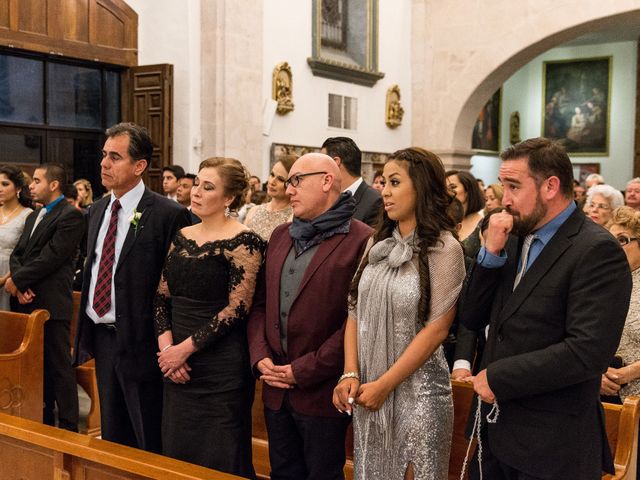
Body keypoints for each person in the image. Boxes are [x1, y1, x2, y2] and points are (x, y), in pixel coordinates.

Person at [459, 137, 632, 479]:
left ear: (551, 186)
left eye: (513, 187)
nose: (504, 200)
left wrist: (499, 376)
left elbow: (587, 352)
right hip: (495, 433)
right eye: (502, 186)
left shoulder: (596, 250)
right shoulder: (512, 235)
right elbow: (472, 317)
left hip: (552, 443)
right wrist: (489, 257)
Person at [334, 147, 465, 479]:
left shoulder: (445, 248)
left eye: (394, 182)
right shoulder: (377, 242)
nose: (385, 191)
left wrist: (385, 384)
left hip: (418, 393)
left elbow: (437, 329)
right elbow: (354, 309)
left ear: (420, 186)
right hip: (370, 386)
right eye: (383, 182)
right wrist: (350, 373)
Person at [247, 153, 372, 480]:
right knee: (283, 473)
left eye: (297, 181)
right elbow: (260, 304)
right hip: (275, 385)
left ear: (327, 181)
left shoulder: (362, 239)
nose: (289, 190)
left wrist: (304, 370)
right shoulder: (281, 235)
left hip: (321, 389)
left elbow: (355, 320)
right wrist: (260, 356)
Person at [74, 123, 191, 453]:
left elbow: (175, 285)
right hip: (102, 335)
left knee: (146, 434)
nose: (104, 164)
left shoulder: (169, 214)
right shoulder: (96, 210)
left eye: (115, 157)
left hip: (143, 339)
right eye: (103, 155)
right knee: (112, 435)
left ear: (139, 166)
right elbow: (95, 267)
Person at [154, 157, 265, 476]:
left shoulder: (245, 240)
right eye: (197, 184)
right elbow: (162, 296)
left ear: (229, 198)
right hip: (176, 366)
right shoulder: (183, 234)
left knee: (221, 455)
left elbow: (237, 308)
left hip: (220, 368)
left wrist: (183, 350)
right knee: (178, 453)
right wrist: (167, 352)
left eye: (208, 186)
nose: (197, 192)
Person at [8, 163, 85, 431]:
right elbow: (17, 254)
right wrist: (19, 284)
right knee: (34, 365)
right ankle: (42, 420)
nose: (31, 185)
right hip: (27, 299)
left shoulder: (71, 216)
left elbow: (52, 257)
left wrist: (18, 280)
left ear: (53, 185)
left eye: (37, 181)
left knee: (59, 366)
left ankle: (68, 426)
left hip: (52, 302)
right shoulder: (33, 216)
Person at [600, 206, 640, 402]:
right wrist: (594, 376)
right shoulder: (597, 282)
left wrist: (626, 374)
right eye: (610, 240)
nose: (614, 247)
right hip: (595, 392)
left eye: (623, 240)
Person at [321, 137, 382, 227]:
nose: (318, 167)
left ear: (335, 162)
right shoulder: (328, 197)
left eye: (321, 161)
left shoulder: (375, 201)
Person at [0, 165, 32, 310]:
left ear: (18, 188)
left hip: (11, 276)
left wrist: (5, 279)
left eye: (5, 184)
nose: (0, 188)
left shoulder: (28, 215)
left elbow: (26, 254)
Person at [245, 155, 295, 241]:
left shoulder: (294, 217)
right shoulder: (253, 211)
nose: (272, 182)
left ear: (292, 184)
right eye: (272, 175)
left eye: (280, 179)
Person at [446, 170, 485, 242]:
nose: (447, 192)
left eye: (453, 187)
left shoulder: (483, 225)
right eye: (445, 188)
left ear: (468, 190)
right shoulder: (442, 221)